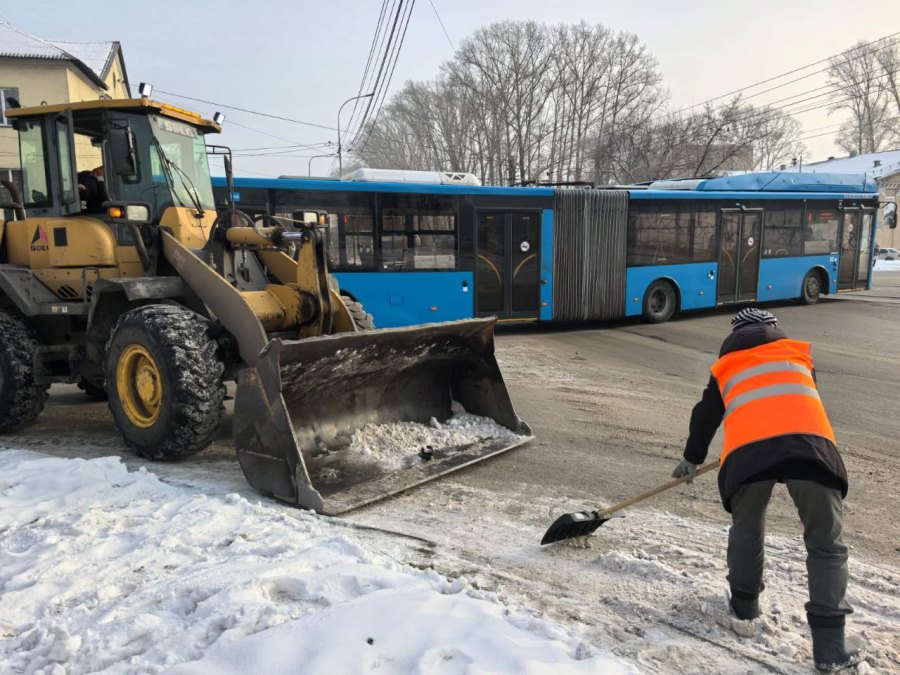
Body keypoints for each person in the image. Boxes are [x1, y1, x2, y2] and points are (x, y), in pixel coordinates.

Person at [672, 307, 865, 672]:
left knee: (747, 530)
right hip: (811, 449)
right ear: (775, 329)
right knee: (826, 544)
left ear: (733, 336)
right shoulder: (797, 355)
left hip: (750, 454)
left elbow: (706, 415)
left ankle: (744, 609)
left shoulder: (726, 365)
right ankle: (830, 648)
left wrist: (691, 458)